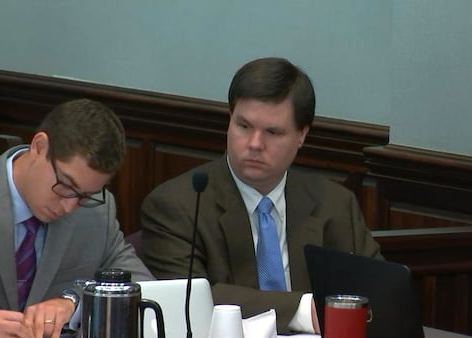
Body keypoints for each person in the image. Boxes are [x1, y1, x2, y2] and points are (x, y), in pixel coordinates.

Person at [139, 57, 382, 334]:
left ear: (301, 134)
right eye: (244, 126)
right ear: (229, 120)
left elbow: (374, 293)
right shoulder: (178, 205)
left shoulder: (335, 203)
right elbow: (191, 300)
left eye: (273, 132)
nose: (254, 144)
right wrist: (303, 310)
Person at [0, 99, 154, 338]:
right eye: (66, 185)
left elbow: (145, 287)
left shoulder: (96, 213)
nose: (70, 206)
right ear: (39, 146)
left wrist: (75, 303)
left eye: (86, 195)